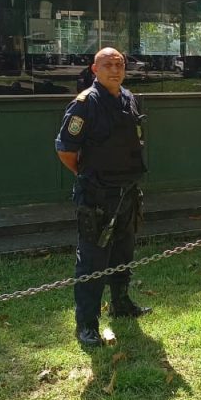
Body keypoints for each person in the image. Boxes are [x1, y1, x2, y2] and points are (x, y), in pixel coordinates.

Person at [55, 47, 150, 348]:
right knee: (93, 262)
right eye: (107, 64)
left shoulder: (129, 98)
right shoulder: (85, 104)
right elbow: (66, 150)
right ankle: (87, 324)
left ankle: (121, 304)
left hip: (127, 191)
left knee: (123, 254)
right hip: (98, 196)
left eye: (119, 64)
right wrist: (90, 177)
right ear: (94, 69)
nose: (115, 69)